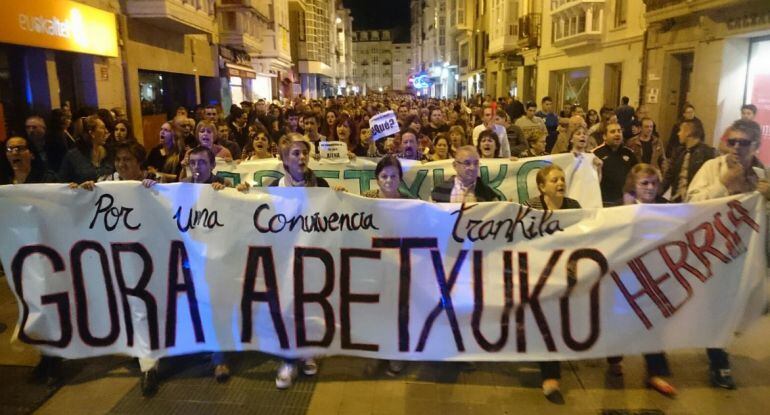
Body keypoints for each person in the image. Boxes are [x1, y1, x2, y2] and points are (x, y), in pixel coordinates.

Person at [236, 133, 344, 389]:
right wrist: (243, 193)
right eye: (295, 153)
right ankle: (287, 359)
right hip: (282, 260)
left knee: (309, 307)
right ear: (284, 160)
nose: (302, 157)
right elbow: (255, 210)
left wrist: (338, 195)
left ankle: (306, 352)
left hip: (312, 258)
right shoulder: (273, 187)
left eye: (304, 152)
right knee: (284, 309)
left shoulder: (321, 184)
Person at [686, 119, 770, 390]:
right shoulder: (712, 168)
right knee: (717, 307)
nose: (734, 148)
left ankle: (718, 346)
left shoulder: (760, 174)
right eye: (730, 141)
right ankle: (719, 361)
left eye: (742, 143)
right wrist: (723, 185)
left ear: (755, 145)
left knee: (741, 307)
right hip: (712, 252)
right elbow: (692, 205)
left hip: (744, 256)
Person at [616, 164, 678, 397]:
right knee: (619, 318)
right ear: (634, 185)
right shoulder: (620, 209)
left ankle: (655, 372)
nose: (650, 188)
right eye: (644, 183)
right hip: (626, 275)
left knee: (655, 321)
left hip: (657, 274)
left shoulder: (669, 208)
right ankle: (614, 358)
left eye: (653, 183)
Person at [660, 118, 714, 202]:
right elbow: (669, 176)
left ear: (688, 132)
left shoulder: (708, 153)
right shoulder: (679, 152)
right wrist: (656, 195)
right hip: (676, 199)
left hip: (695, 201)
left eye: (680, 130)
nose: (678, 134)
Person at [431, 145, 503, 202]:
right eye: (467, 163)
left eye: (476, 163)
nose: (472, 168)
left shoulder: (488, 193)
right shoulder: (440, 191)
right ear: (455, 165)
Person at [58, 115, 114, 184]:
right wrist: (76, 186)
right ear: (92, 133)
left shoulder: (111, 153)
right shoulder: (73, 156)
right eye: (103, 128)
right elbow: (61, 183)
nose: (106, 131)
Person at [592, 122, 638, 205]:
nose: (617, 134)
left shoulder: (630, 153)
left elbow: (636, 177)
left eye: (619, 131)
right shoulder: (595, 154)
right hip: (604, 202)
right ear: (604, 136)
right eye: (613, 132)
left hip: (625, 202)